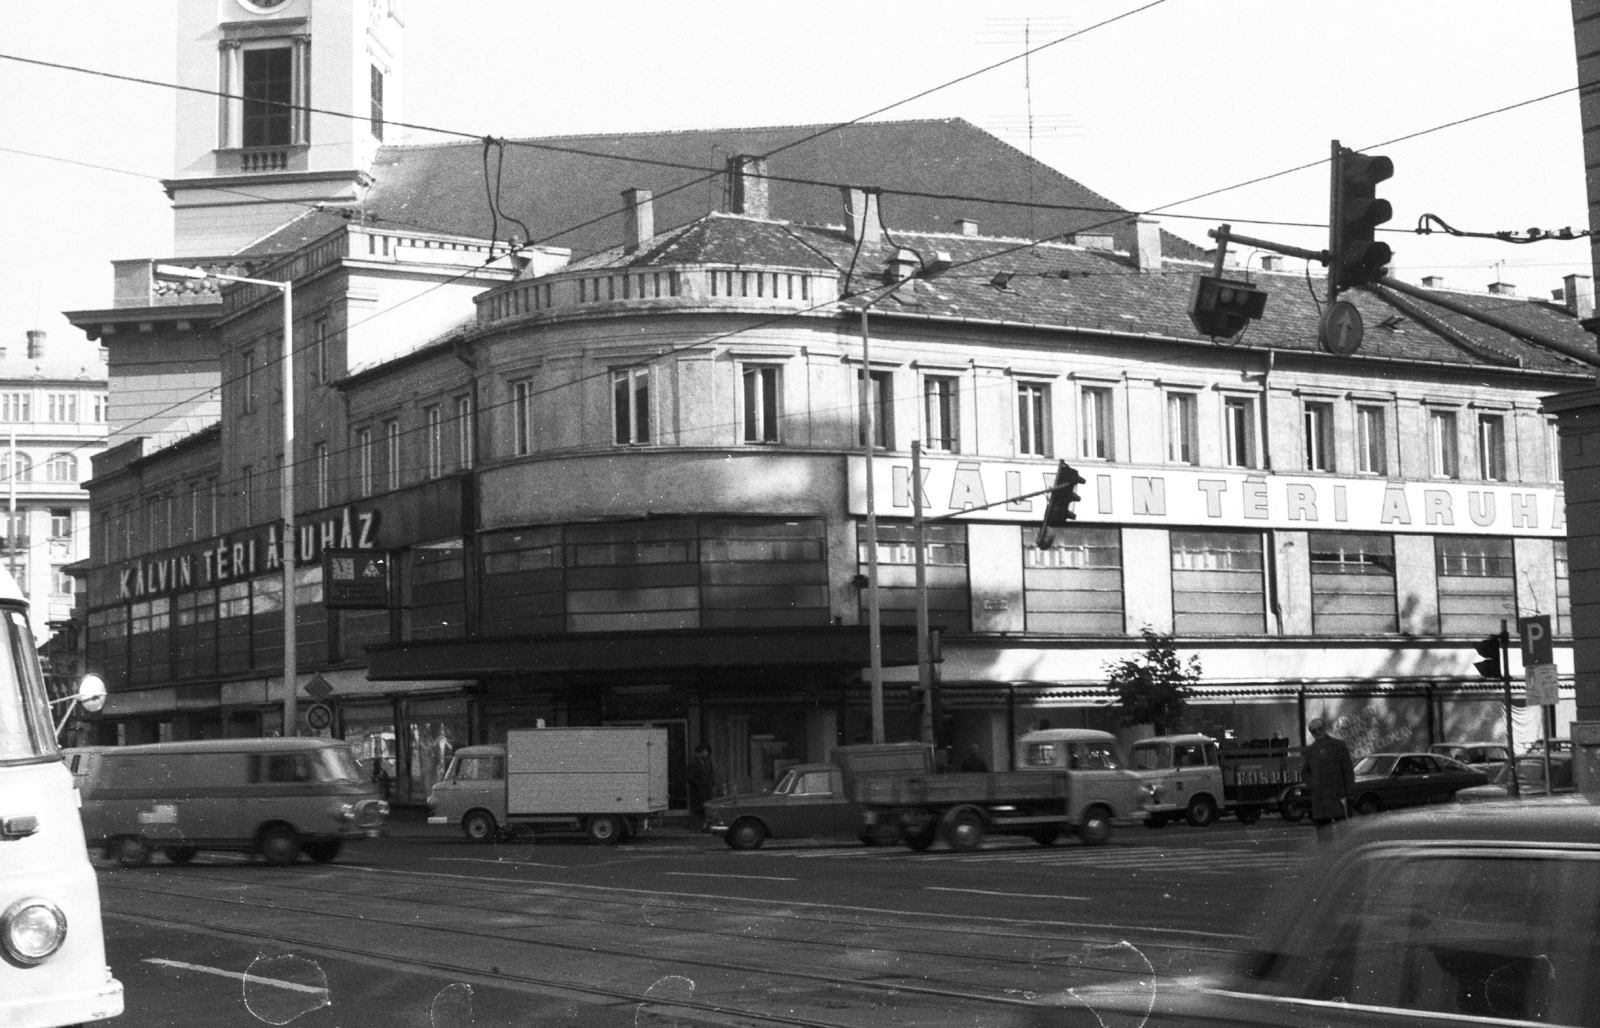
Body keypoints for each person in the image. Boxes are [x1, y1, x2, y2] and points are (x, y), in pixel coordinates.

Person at [1301, 717, 1355, 843]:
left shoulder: (1339, 745)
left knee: (1344, 834)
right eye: (1313, 731)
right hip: (1320, 800)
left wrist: (1350, 794)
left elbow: (1348, 771)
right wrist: (1312, 783)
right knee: (1324, 838)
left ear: (1325, 728)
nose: (1318, 733)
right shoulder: (1310, 750)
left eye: (1320, 729)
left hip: (1338, 797)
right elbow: (1305, 771)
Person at [688, 743, 715, 830]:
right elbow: (689, 777)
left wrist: (712, 784)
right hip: (698, 790)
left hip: (707, 789)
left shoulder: (707, 761)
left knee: (706, 808)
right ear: (699, 752)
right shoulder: (693, 762)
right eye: (704, 752)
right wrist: (698, 784)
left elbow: (711, 773)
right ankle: (696, 827)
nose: (706, 753)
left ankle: (705, 826)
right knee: (697, 809)